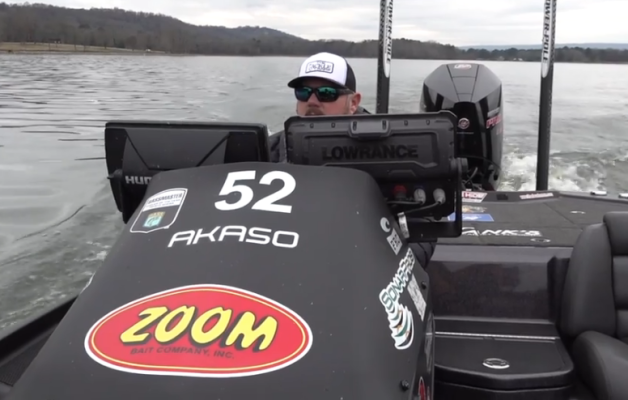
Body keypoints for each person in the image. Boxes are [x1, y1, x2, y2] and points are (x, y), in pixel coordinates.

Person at [268, 52, 370, 163]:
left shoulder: (376, 152)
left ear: (353, 103)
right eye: (303, 92)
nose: (312, 101)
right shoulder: (267, 152)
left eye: (326, 93)